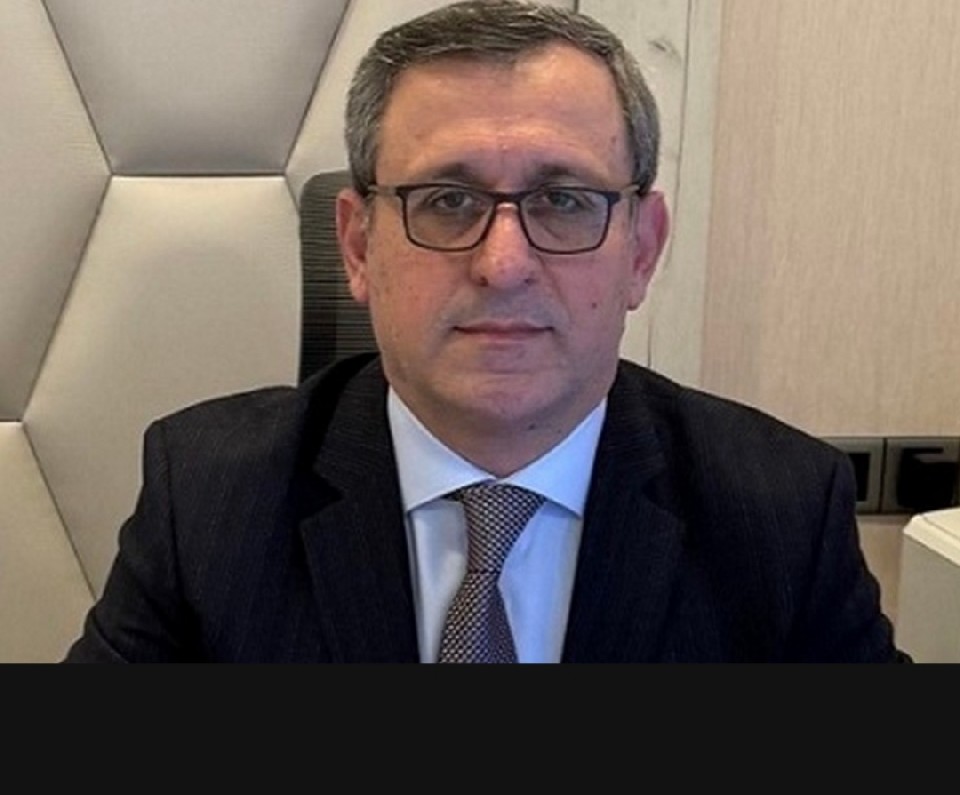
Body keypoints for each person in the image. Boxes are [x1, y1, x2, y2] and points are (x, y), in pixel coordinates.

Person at [63, 0, 909, 663]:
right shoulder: (208, 498)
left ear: (642, 251)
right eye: (447, 201)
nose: (504, 265)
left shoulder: (781, 510)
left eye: (564, 200)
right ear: (358, 247)